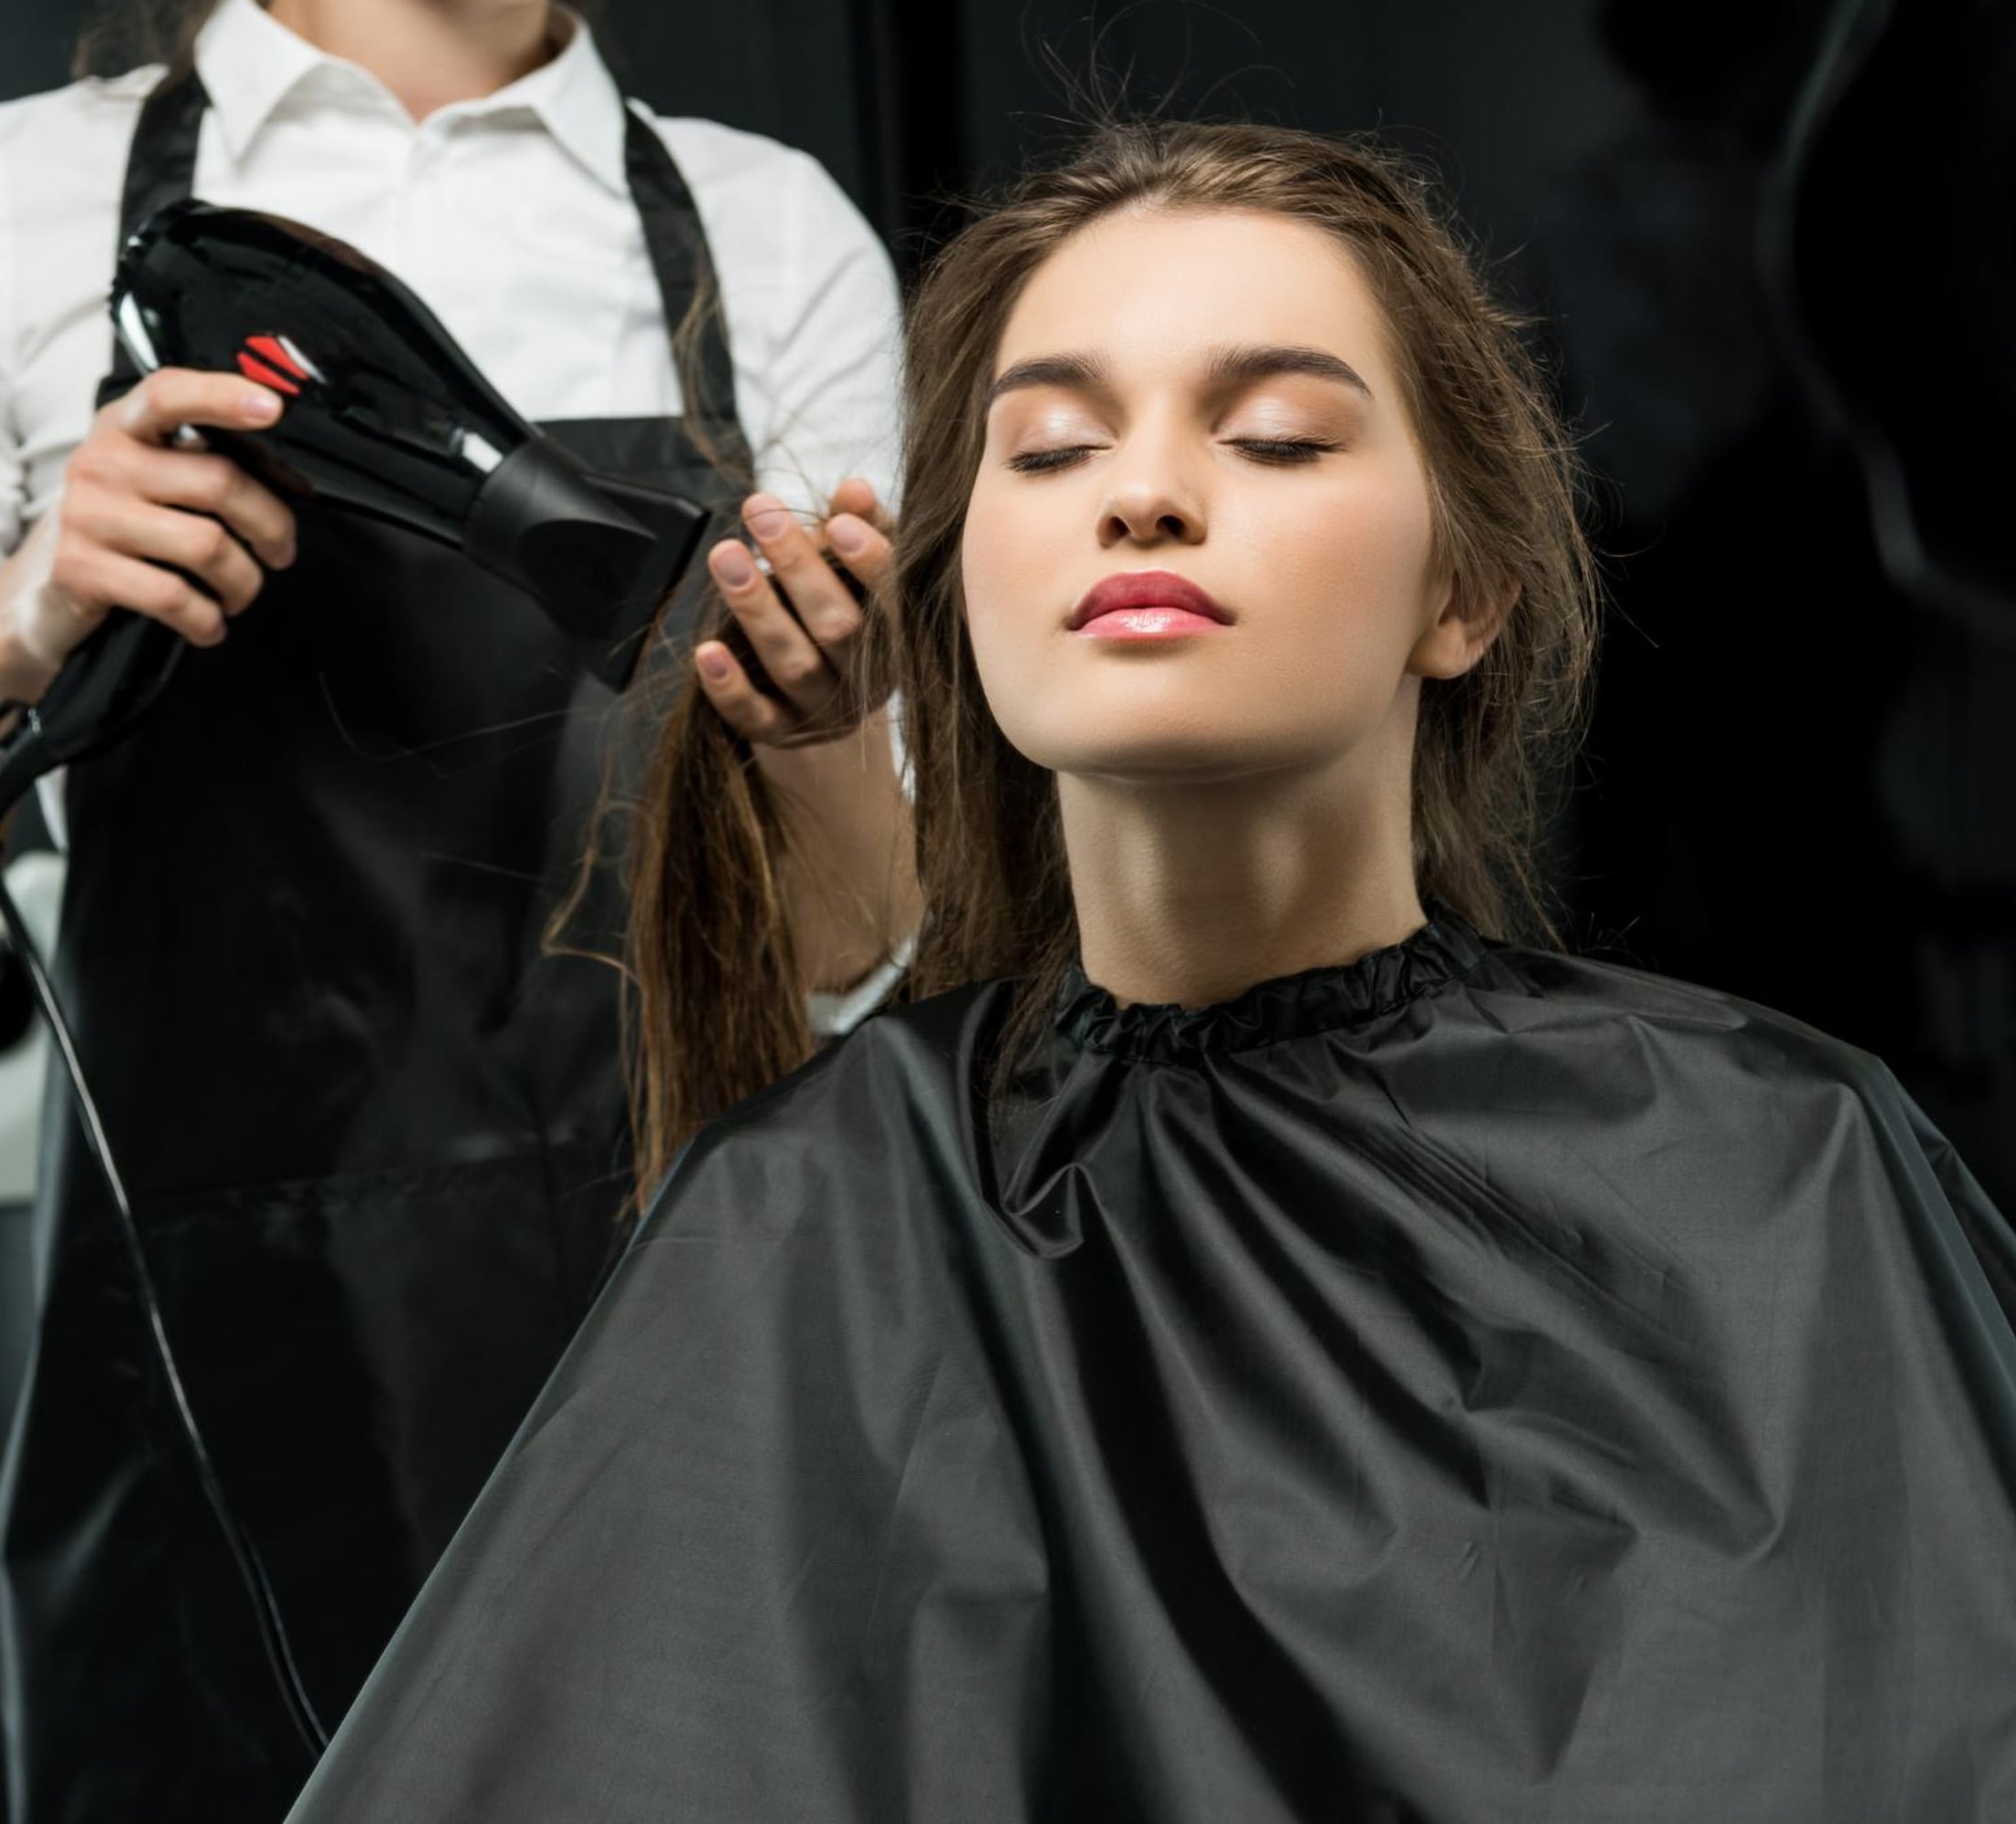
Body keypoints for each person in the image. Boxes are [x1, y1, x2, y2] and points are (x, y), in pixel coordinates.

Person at [284, 117, 2016, 1821]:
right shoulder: (820, 1216)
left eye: (1273, 437)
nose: (1142, 493)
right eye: (1045, 452)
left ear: (1466, 592)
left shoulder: (1788, 1179)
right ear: (964, 588)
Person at [0, 1, 917, 1815]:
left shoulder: (764, 227)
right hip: (205, 1419)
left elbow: (858, 950)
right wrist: (30, 608)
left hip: (674, 1364)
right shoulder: (1, 206)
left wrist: (825, 726)